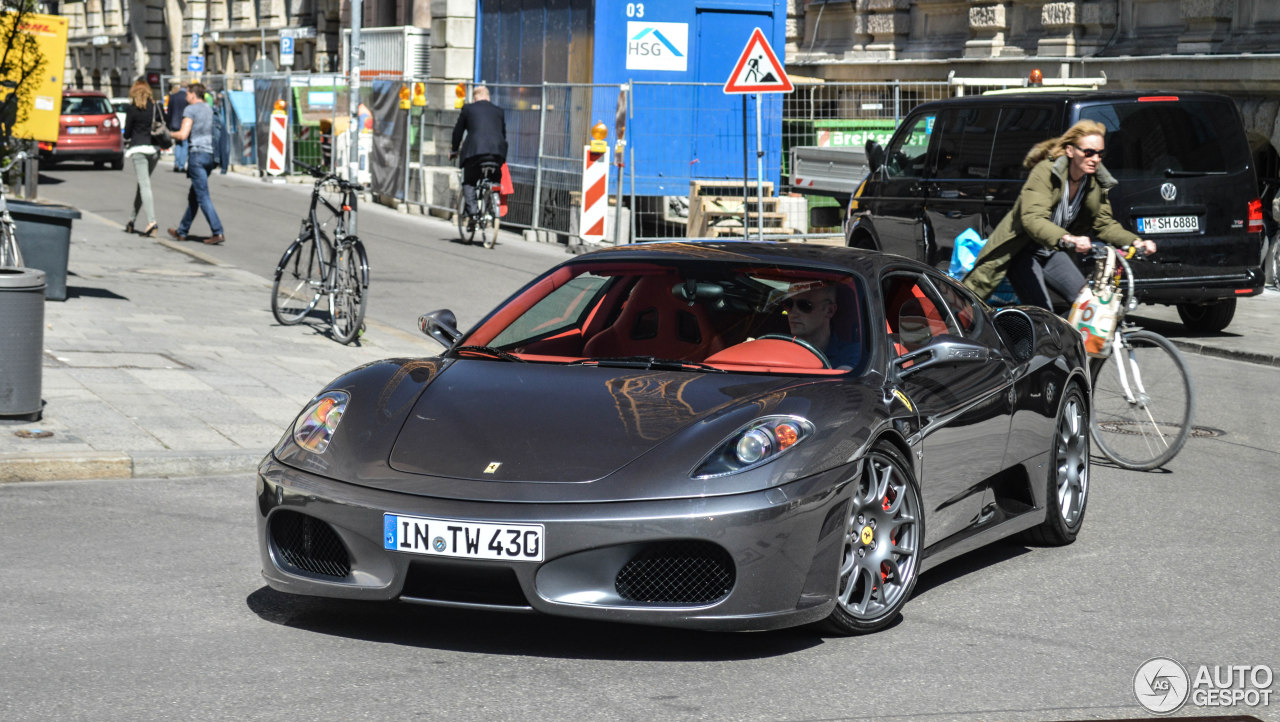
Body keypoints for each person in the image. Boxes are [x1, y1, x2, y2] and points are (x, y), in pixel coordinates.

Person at [962, 120, 1156, 310]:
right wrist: (1068, 238)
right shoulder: (1045, 172)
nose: (1095, 159)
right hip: (1021, 249)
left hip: (1051, 249)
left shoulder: (1094, 181)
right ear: (1070, 151)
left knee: (1085, 303)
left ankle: (1075, 342)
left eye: (1100, 153)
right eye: (1088, 152)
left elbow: (1103, 223)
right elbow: (1033, 219)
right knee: (1042, 310)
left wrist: (1135, 241)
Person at [167, 82, 225, 245]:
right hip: (210, 156)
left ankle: (217, 231)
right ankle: (182, 231)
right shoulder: (209, 108)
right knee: (195, 196)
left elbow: (183, 135)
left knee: (203, 195)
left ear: (193, 94)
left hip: (197, 156)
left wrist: (168, 134)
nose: (185, 97)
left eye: (187, 94)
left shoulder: (190, 110)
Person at [450, 85, 507, 230]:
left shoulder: (468, 109)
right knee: (495, 179)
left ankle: (473, 214)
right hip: (497, 153)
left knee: (469, 182)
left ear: (475, 98)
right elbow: (503, 134)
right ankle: (493, 204)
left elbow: (458, 132)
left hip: (474, 153)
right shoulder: (499, 111)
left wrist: (454, 149)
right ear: (488, 97)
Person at [779, 281, 861, 370]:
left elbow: (844, 381)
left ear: (830, 310)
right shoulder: (777, 350)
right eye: (788, 304)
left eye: (804, 305)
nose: (793, 313)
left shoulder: (853, 353)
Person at [122, 77, 160, 237]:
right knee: (142, 185)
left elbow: (128, 132)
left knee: (144, 185)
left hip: (138, 149)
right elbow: (164, 124)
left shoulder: (131, 109)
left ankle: (152, 222)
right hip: (154, 150)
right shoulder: (155, 106)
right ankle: (131, 220)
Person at [165, 81, 189, 172]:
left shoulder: (173, 97)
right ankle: (181, 166)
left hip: (174, 124)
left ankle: (176, 163)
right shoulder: (187, 97)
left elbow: (169, 112)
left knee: (178, 144)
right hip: (184, 124)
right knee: (185, 144)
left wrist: (169, 125)